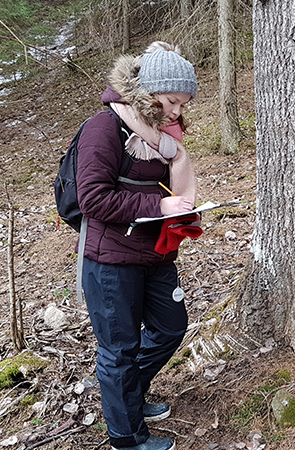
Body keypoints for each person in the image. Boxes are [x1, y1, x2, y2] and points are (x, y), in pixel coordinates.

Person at [76, 41, 199, 450]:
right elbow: (91, 198)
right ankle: (127, 437)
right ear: (148, 93)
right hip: (110, 260)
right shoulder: (104, 127)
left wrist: (182, 211)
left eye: (183, 104)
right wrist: (159, 204)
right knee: (119, 349)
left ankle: (128, 396)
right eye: (170, 101)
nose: (177, 112)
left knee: (170, 327)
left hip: (156, 253)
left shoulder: (166, 138)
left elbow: (168, 187)